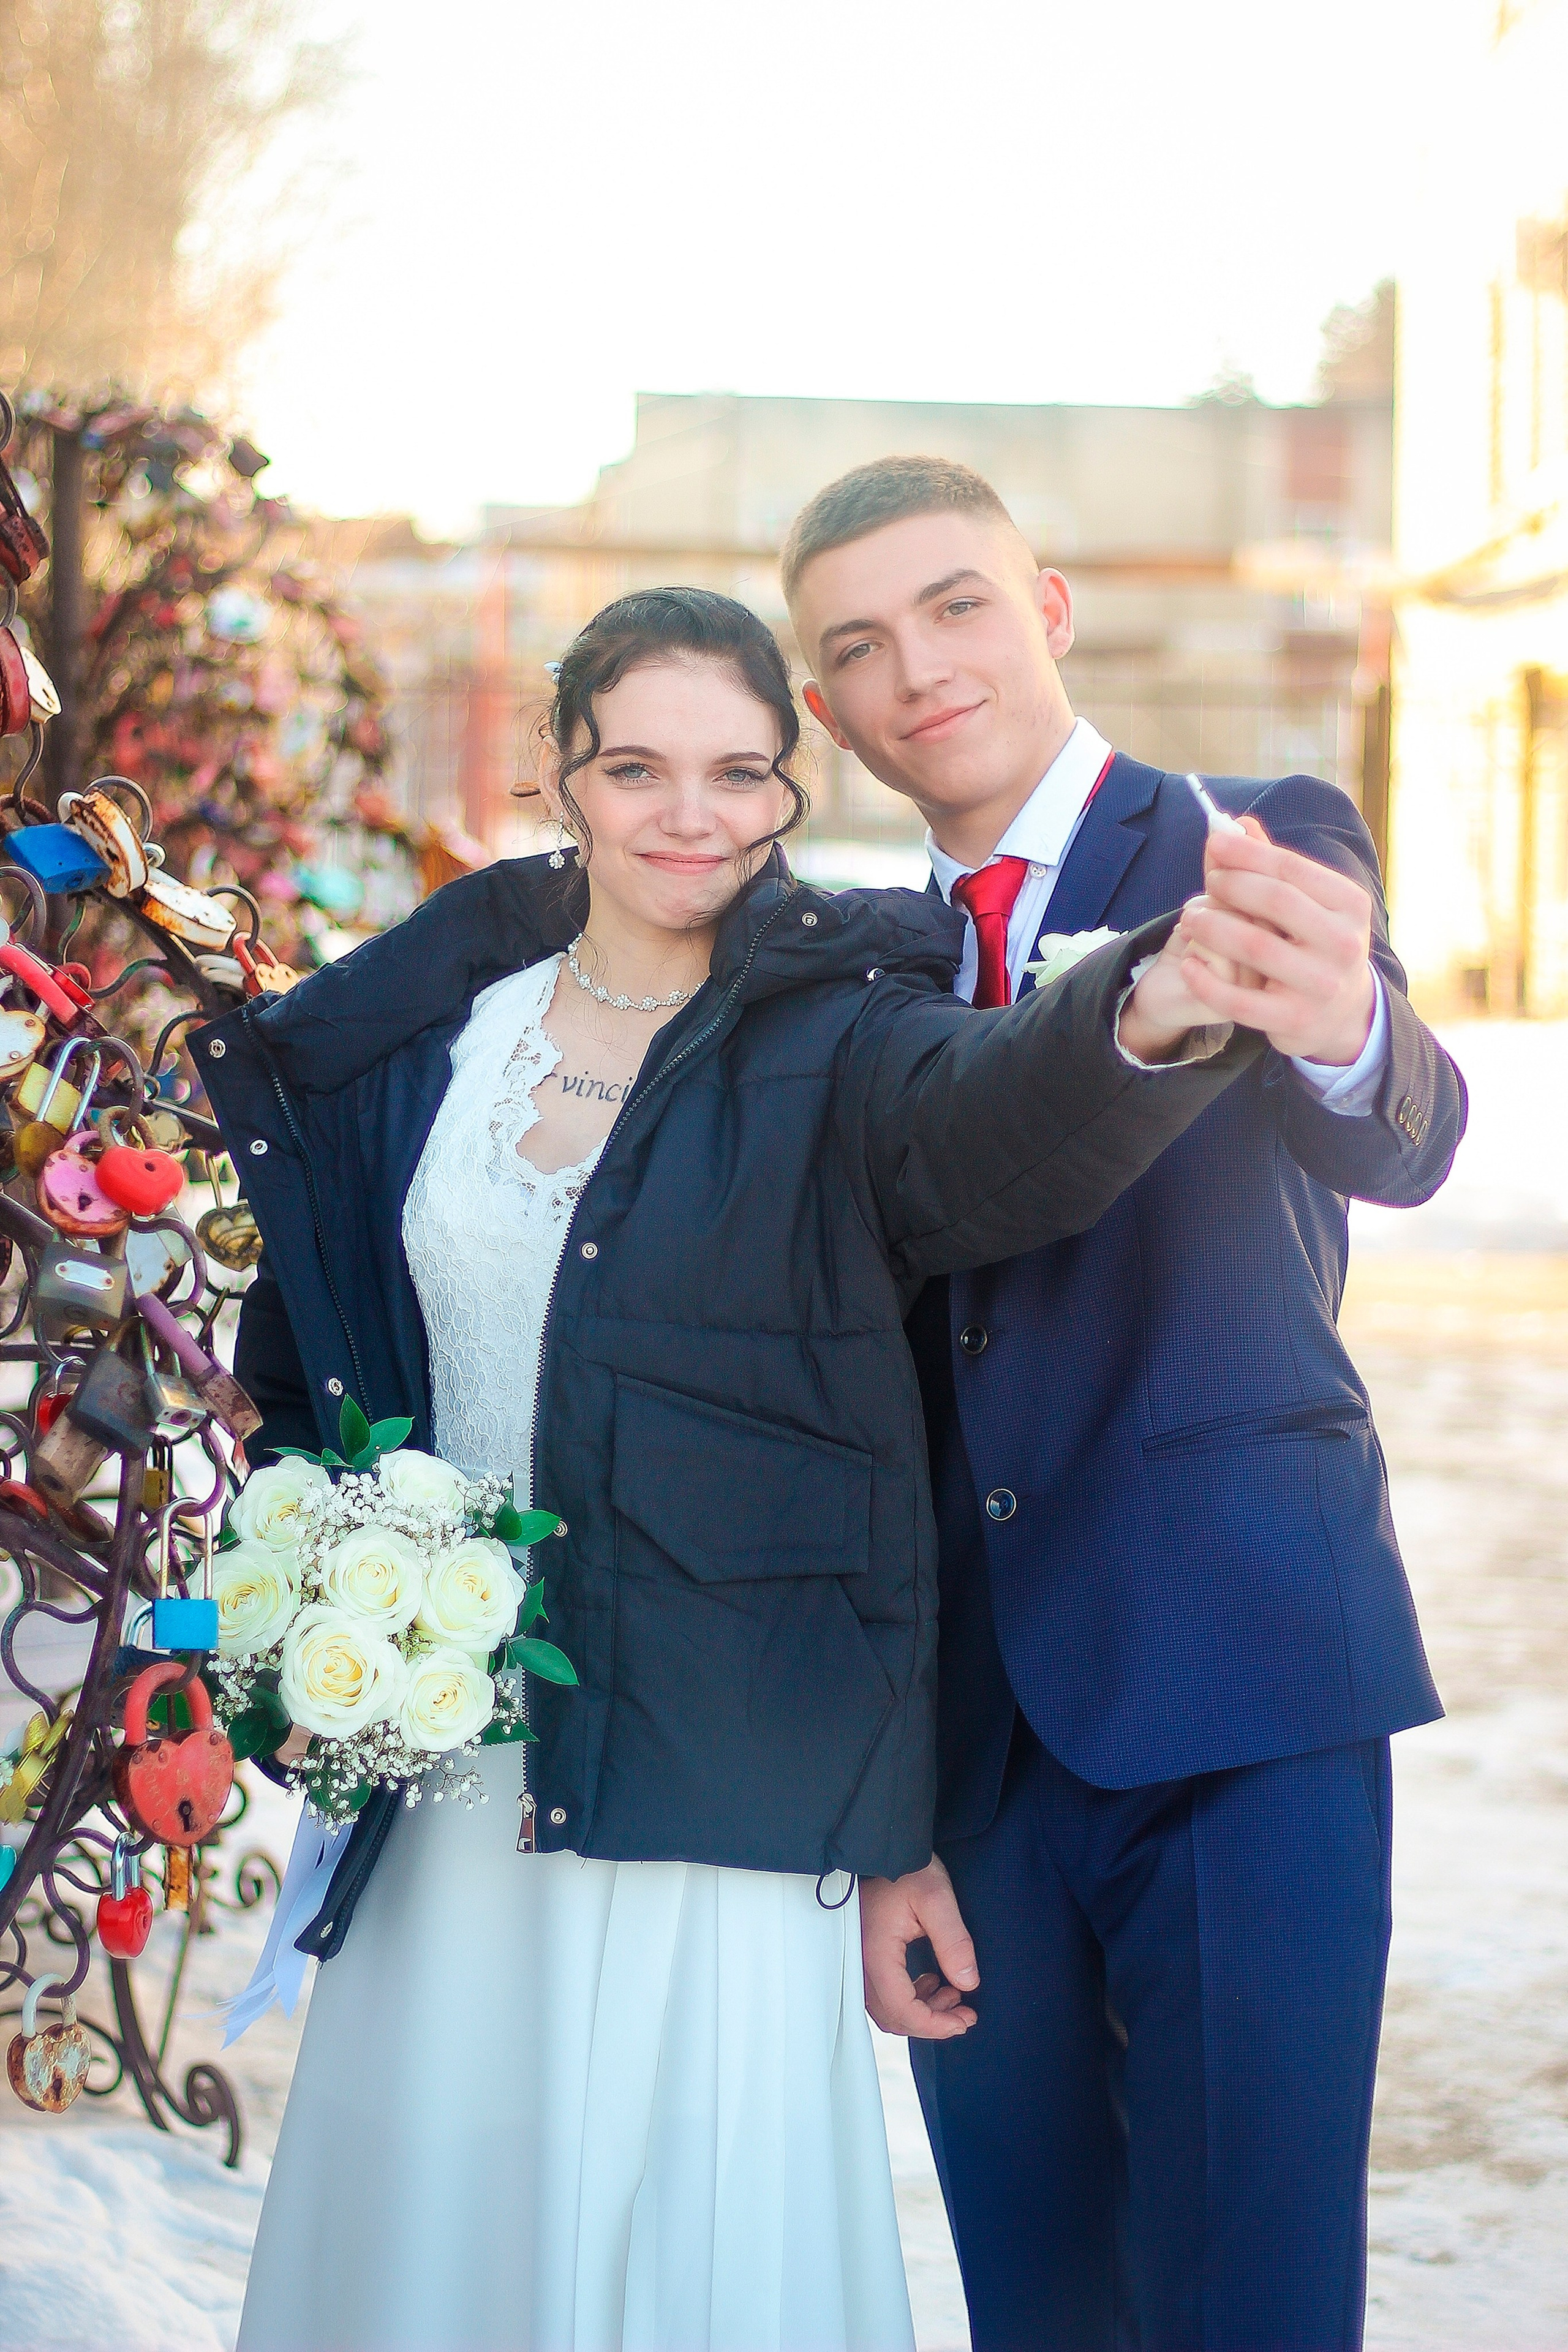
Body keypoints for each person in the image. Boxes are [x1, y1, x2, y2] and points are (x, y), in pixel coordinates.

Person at [204, 585, 1314, 2352]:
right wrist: (323, 1581)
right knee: (447, 2237)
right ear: (564, 775)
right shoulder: (423, 1042)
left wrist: (1150, 1008)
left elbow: (996, 1126)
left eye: (738, 772)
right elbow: (319, 1378)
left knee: (680, 2252)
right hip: (456, 1779)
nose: (691, 816)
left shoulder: (843, 1032)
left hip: (717, 1777)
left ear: (791, 786)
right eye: (637, 768)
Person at [782, 458, 1468, 2352]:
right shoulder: (851, 983)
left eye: (957, 604)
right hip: (980, 1767)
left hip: (1247, 1691)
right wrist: (886, 1812)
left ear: (1051, 608)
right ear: (824, 710)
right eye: (858, 647)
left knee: (1252, 2300)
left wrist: (1340, 1026)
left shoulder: (1255, 840)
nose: (919, 668)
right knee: (1040, 2306)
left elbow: (1407, 1123)